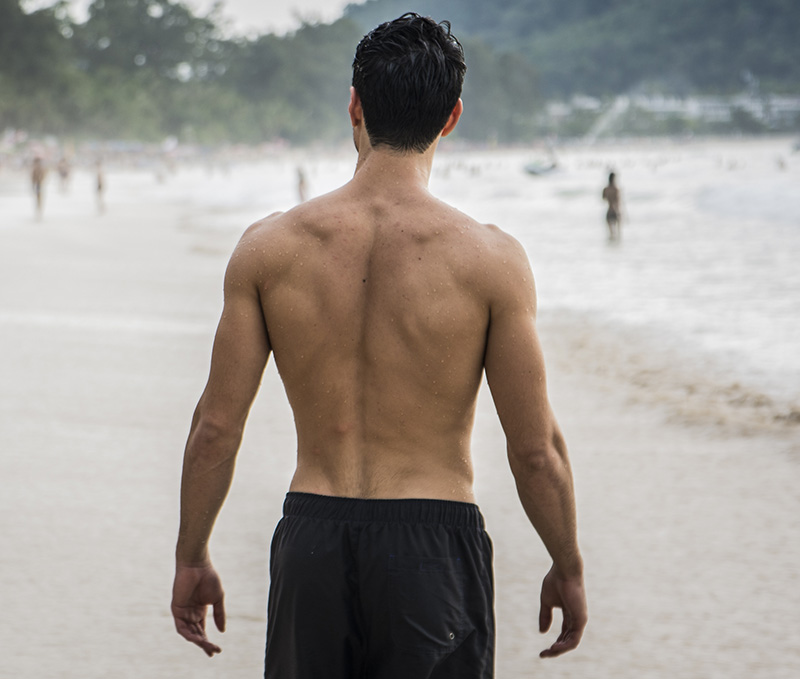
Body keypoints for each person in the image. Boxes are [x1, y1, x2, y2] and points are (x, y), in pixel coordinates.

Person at [171, 13, 586, 678]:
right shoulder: (490, 260)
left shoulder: (269, 248)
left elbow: (215, 428)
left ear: (355, 106)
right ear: (450, 118)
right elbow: (536, 450)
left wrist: (191, 555)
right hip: (434, 545)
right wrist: (567, 563)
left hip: (313, 536)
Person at [602, 171, 621, 240]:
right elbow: (618, 201)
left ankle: (611, 246)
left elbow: (603, 199)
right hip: (616, 211)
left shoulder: (606, 189)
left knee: (610, 234)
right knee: (618, 233)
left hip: (609, 210)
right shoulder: (616, 189)